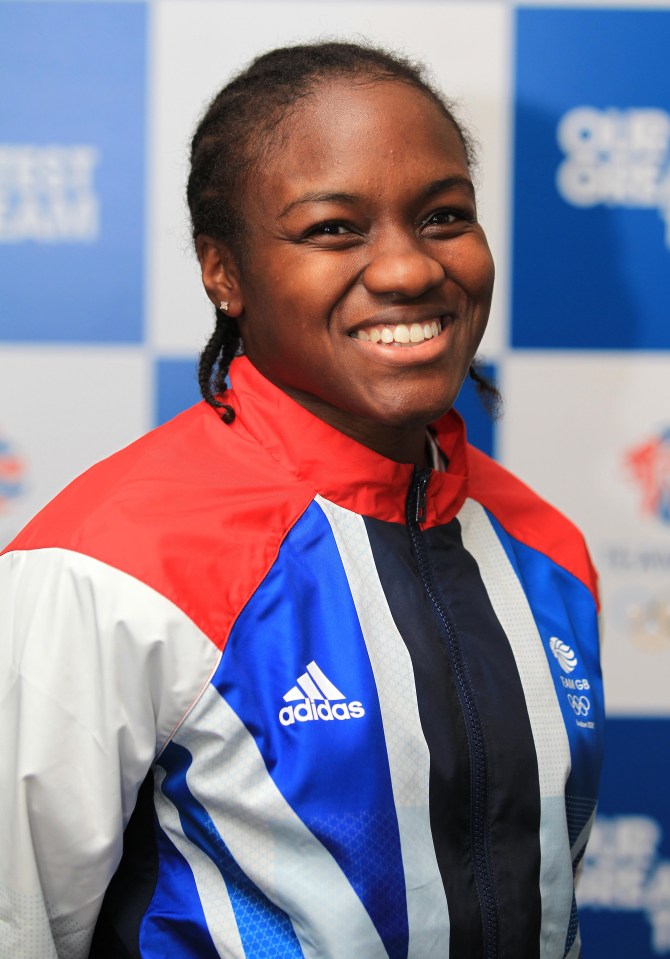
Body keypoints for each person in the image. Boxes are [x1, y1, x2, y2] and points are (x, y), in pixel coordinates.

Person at [0, 41, 603, 959]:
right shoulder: (106, 566)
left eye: (444, 216)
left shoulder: (546, 547)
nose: (407, 270)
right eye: (333, 229)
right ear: (223, 272)